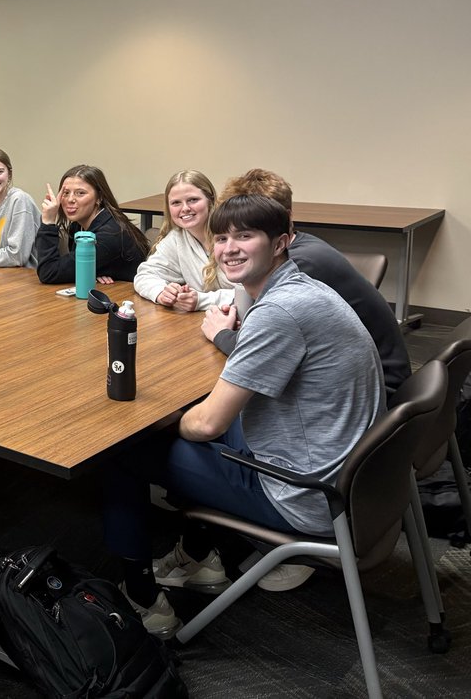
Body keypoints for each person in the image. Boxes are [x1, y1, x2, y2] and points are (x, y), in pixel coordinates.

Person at [103, 194, 383, 635]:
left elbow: (206, 423)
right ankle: (200, 560)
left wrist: (162, 422)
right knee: (217, 423)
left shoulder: (279, 311)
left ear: (280, 243)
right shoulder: (302, 288)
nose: (229, 248)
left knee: (123, 450)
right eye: (221, 238)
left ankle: (142, 599)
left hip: (306, 494)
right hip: (350, 478)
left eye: (245, 236)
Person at [201, 168, 411, 393]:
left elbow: (258, 348)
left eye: (246, 231)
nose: (231, 247)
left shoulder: (298, 268)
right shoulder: (298, 248)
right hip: (350, 377)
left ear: (281, 226)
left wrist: (221, 334)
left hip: (373, 386)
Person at [133, 170, 234, 311]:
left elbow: (253, 292)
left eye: (193, 200)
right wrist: (162, 292)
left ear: (210, 200)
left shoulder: (232, 234)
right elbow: (145, 275)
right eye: (176, 203)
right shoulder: (177, 237)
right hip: (209, 318)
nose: (185, 208)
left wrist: (201, 300)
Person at [35, 164, 148, 283]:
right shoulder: (77, 226)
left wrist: (48, 222)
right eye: (66, 193)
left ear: (99, 198)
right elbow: (74, 270)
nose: (70, 199)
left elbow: (49, 273)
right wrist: (94, 271)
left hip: (128, 293)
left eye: (80, 193)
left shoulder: (109, 234)